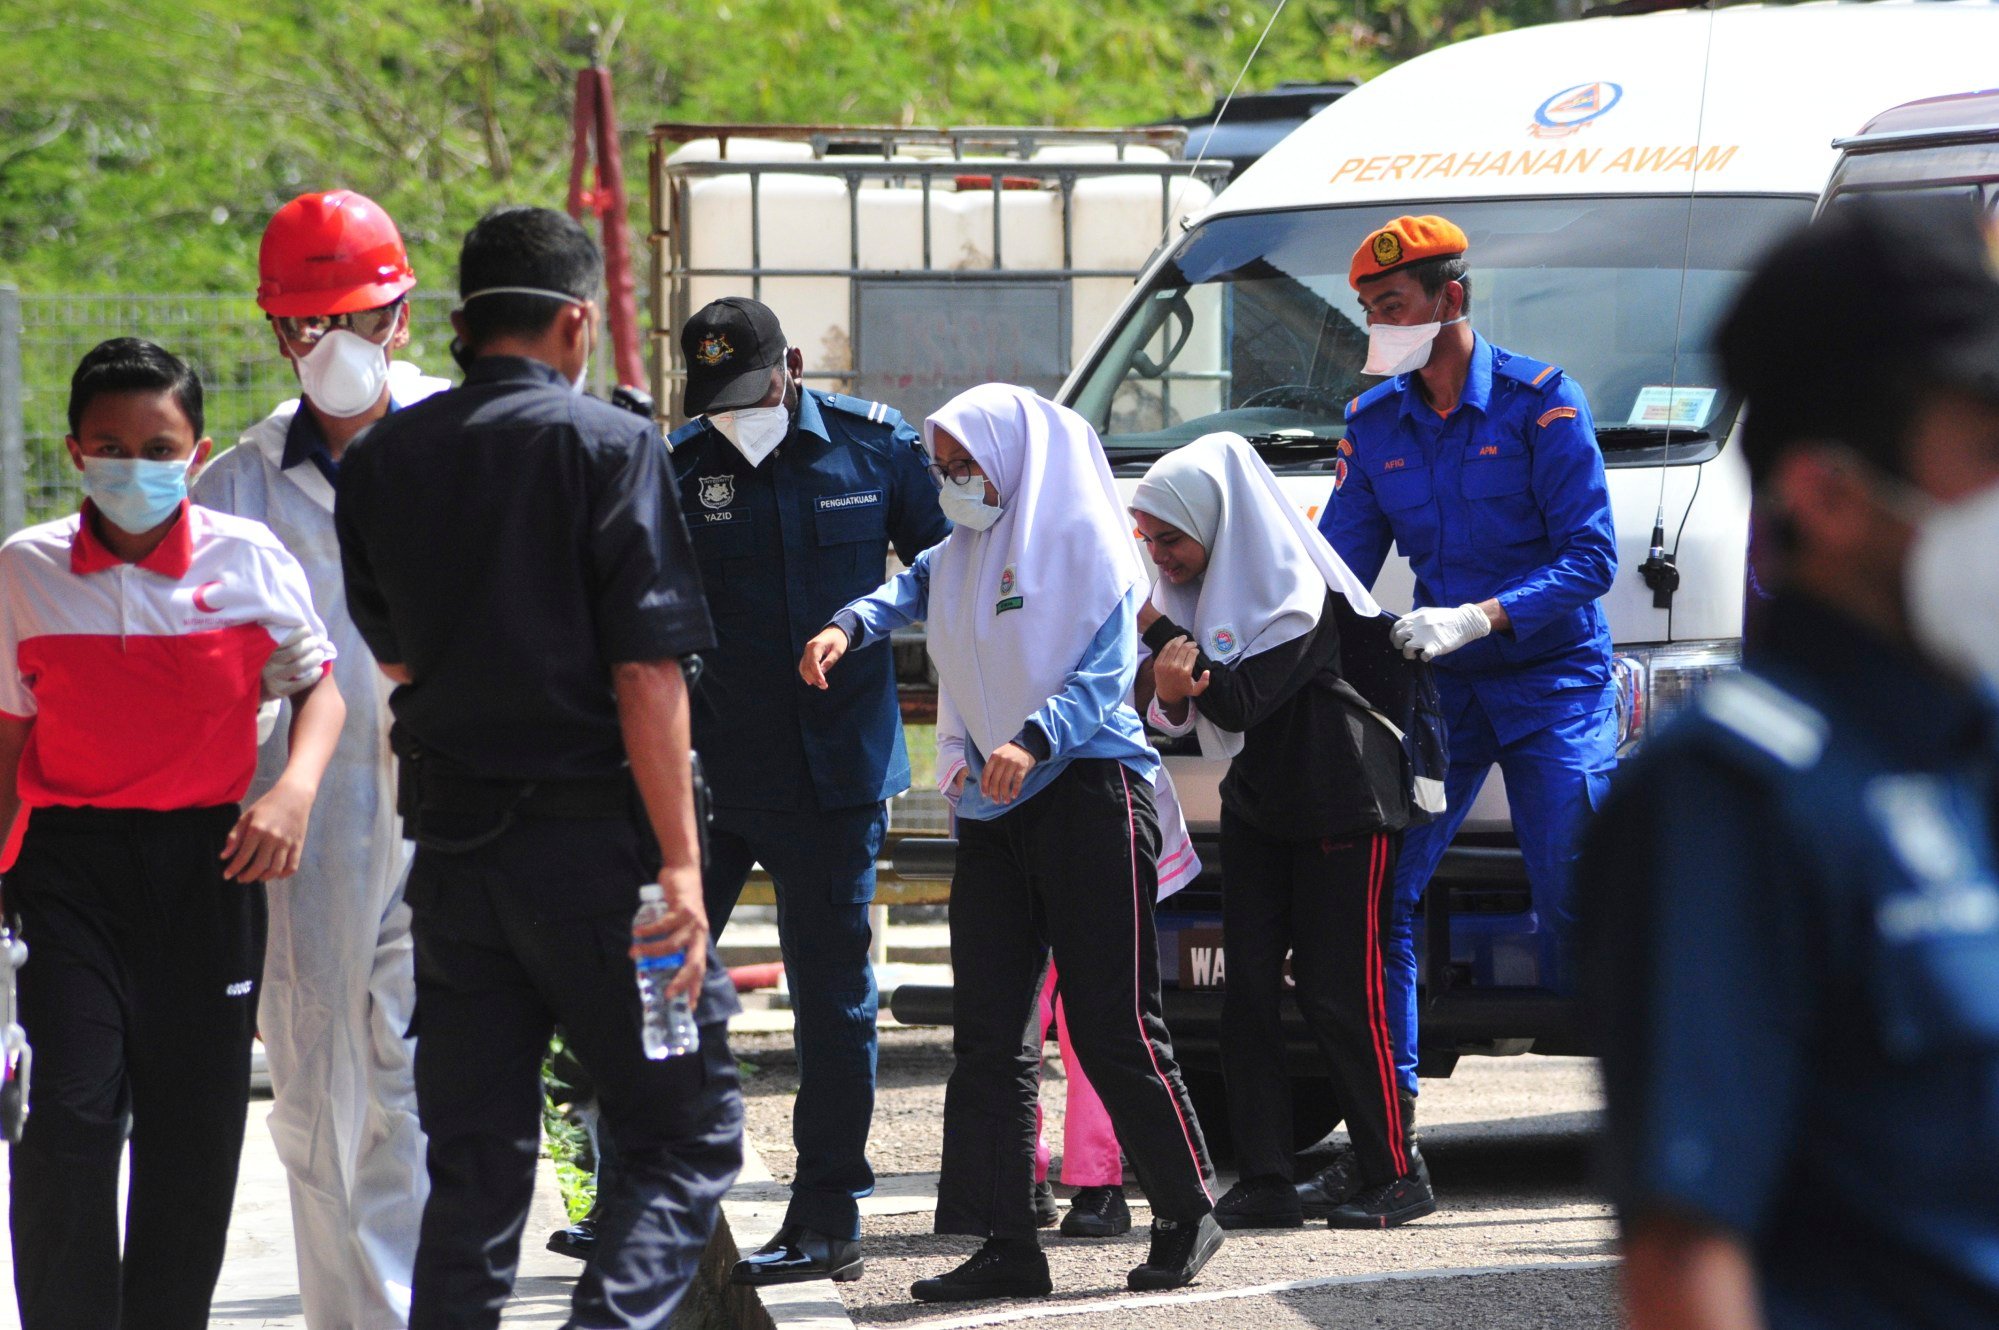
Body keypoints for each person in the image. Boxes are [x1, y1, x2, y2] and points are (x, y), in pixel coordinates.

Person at [1582, 199, 1999, 1330]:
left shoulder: (1971, 746)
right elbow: (1684, 1259)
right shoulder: (1731, 799)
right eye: (1984, 454)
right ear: (1827, 493)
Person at [334, 206, 742, 1330]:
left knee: (473, 1169)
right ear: (574, 323)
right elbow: (649, 677)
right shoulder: (610, 448)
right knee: (681, 1134)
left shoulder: (379, 462)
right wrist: (682, 872)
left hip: (457, 872)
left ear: (461, 325)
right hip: (608, 868)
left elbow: (399, 656)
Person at [801, 383, 1221, 1302]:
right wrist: (844, 626)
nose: (954, 485)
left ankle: (1186, 1208)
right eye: (942, 469)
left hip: (1089, 793)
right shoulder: (956, 552)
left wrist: (1030, 739)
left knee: (1113, 1024)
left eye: (966, 468)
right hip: (994, 811)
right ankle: (1004, 1240)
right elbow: (898, 592)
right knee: (990, 1036)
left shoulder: (1093, 546)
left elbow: (1111, 670)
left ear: (1016, 458)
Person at [1, 339, 346, 1330]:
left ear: (195, 456)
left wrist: (293, 793)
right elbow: (7, 736)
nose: (135, 464)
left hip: (207, 865)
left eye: (160, 445)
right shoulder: (24, 572)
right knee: (66, 1118)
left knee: (193, 1138)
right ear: (73, 451)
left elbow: (318, 686)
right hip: (68, 870)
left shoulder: (248, 560)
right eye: (110, 444)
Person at [192, 188, 448, 1328]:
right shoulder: (236, 486)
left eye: (356, 318)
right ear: (275, 331)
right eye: (305, 326)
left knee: (420, 1087)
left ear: (403, 314)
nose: (331, 347)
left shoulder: (473, 443)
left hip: (457, 805)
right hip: (304, 819)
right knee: (312, 1096)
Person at [664, 296, 947, 1285]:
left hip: (833, 775)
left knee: (833, 1002)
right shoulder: (676, 466)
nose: (736, 416)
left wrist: (868, 619)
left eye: (749, 394)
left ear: (788, 366)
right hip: (704, 774)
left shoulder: (874, 449)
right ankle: (645, 1204)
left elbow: (945, 564)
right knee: (662, 990)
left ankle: (827, 1213)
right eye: (717, 402)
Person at [1317, 214, 1618, 1129]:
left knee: (1576, 900)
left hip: (1552, 685)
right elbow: (1335, 571)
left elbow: (1592, 558)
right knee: (1385, 892)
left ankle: (1667, 1119)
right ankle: (1388, 1129)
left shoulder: (1543, 405)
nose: (1380, 325)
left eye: (1393, 305)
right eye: (1368, 309)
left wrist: (1480, 616)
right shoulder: (1373, 424)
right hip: (1446, 695)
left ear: (1451, 298)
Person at [1132, 431, 1430, 1229]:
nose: (1157, 555)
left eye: (1169, 537)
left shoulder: (1288, 590)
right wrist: (1166, 657)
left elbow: (1229, 701)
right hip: (1262, 806)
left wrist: (1156, 632)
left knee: (1341, 993)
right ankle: (1264, 1177)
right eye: (1147, 539)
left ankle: (1395, 1172)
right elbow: (1158, 703)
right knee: (1245, 997)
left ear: (1217, 522)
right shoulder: (1201, 599)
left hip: (1343, 804)